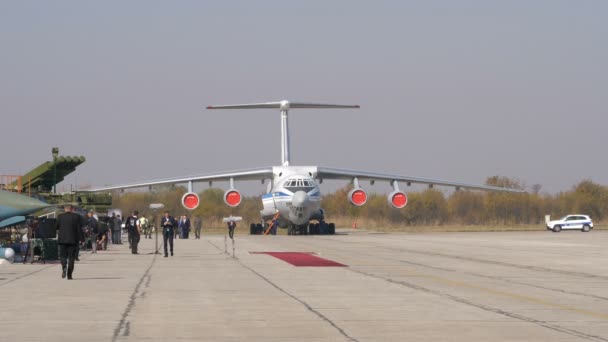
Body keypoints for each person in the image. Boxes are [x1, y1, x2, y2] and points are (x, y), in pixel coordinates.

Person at [55, 204, 84, 280]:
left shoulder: (60, 216)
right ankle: (69, 275)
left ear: (65, 209)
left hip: (62, 240)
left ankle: (64, 267)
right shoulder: (76, 217)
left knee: (63, 256)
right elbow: (79, 229)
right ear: (72, 209)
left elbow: (56, 227)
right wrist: (82, 239)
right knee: (71, 258)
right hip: (73, 240)